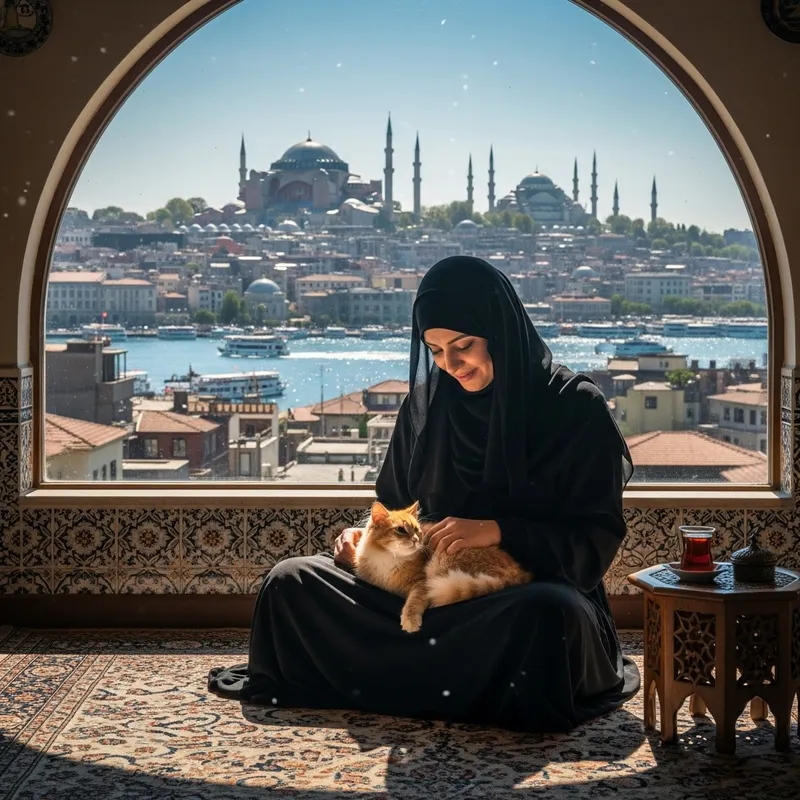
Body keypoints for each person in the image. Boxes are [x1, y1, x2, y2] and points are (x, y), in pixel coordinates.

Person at [208, 255, 640, 733]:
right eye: (434, 350)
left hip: (512, 598)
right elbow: (395, 503)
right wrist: (365, 536)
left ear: (499, 329)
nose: (451, 365)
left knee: (546, 618)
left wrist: (497, 531)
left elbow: (592, 545)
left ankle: (392, 676)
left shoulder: (573, 407)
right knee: (290, 582)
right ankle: (442, 680)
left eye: (464, 346)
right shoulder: (426, 405)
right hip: (421, 588)